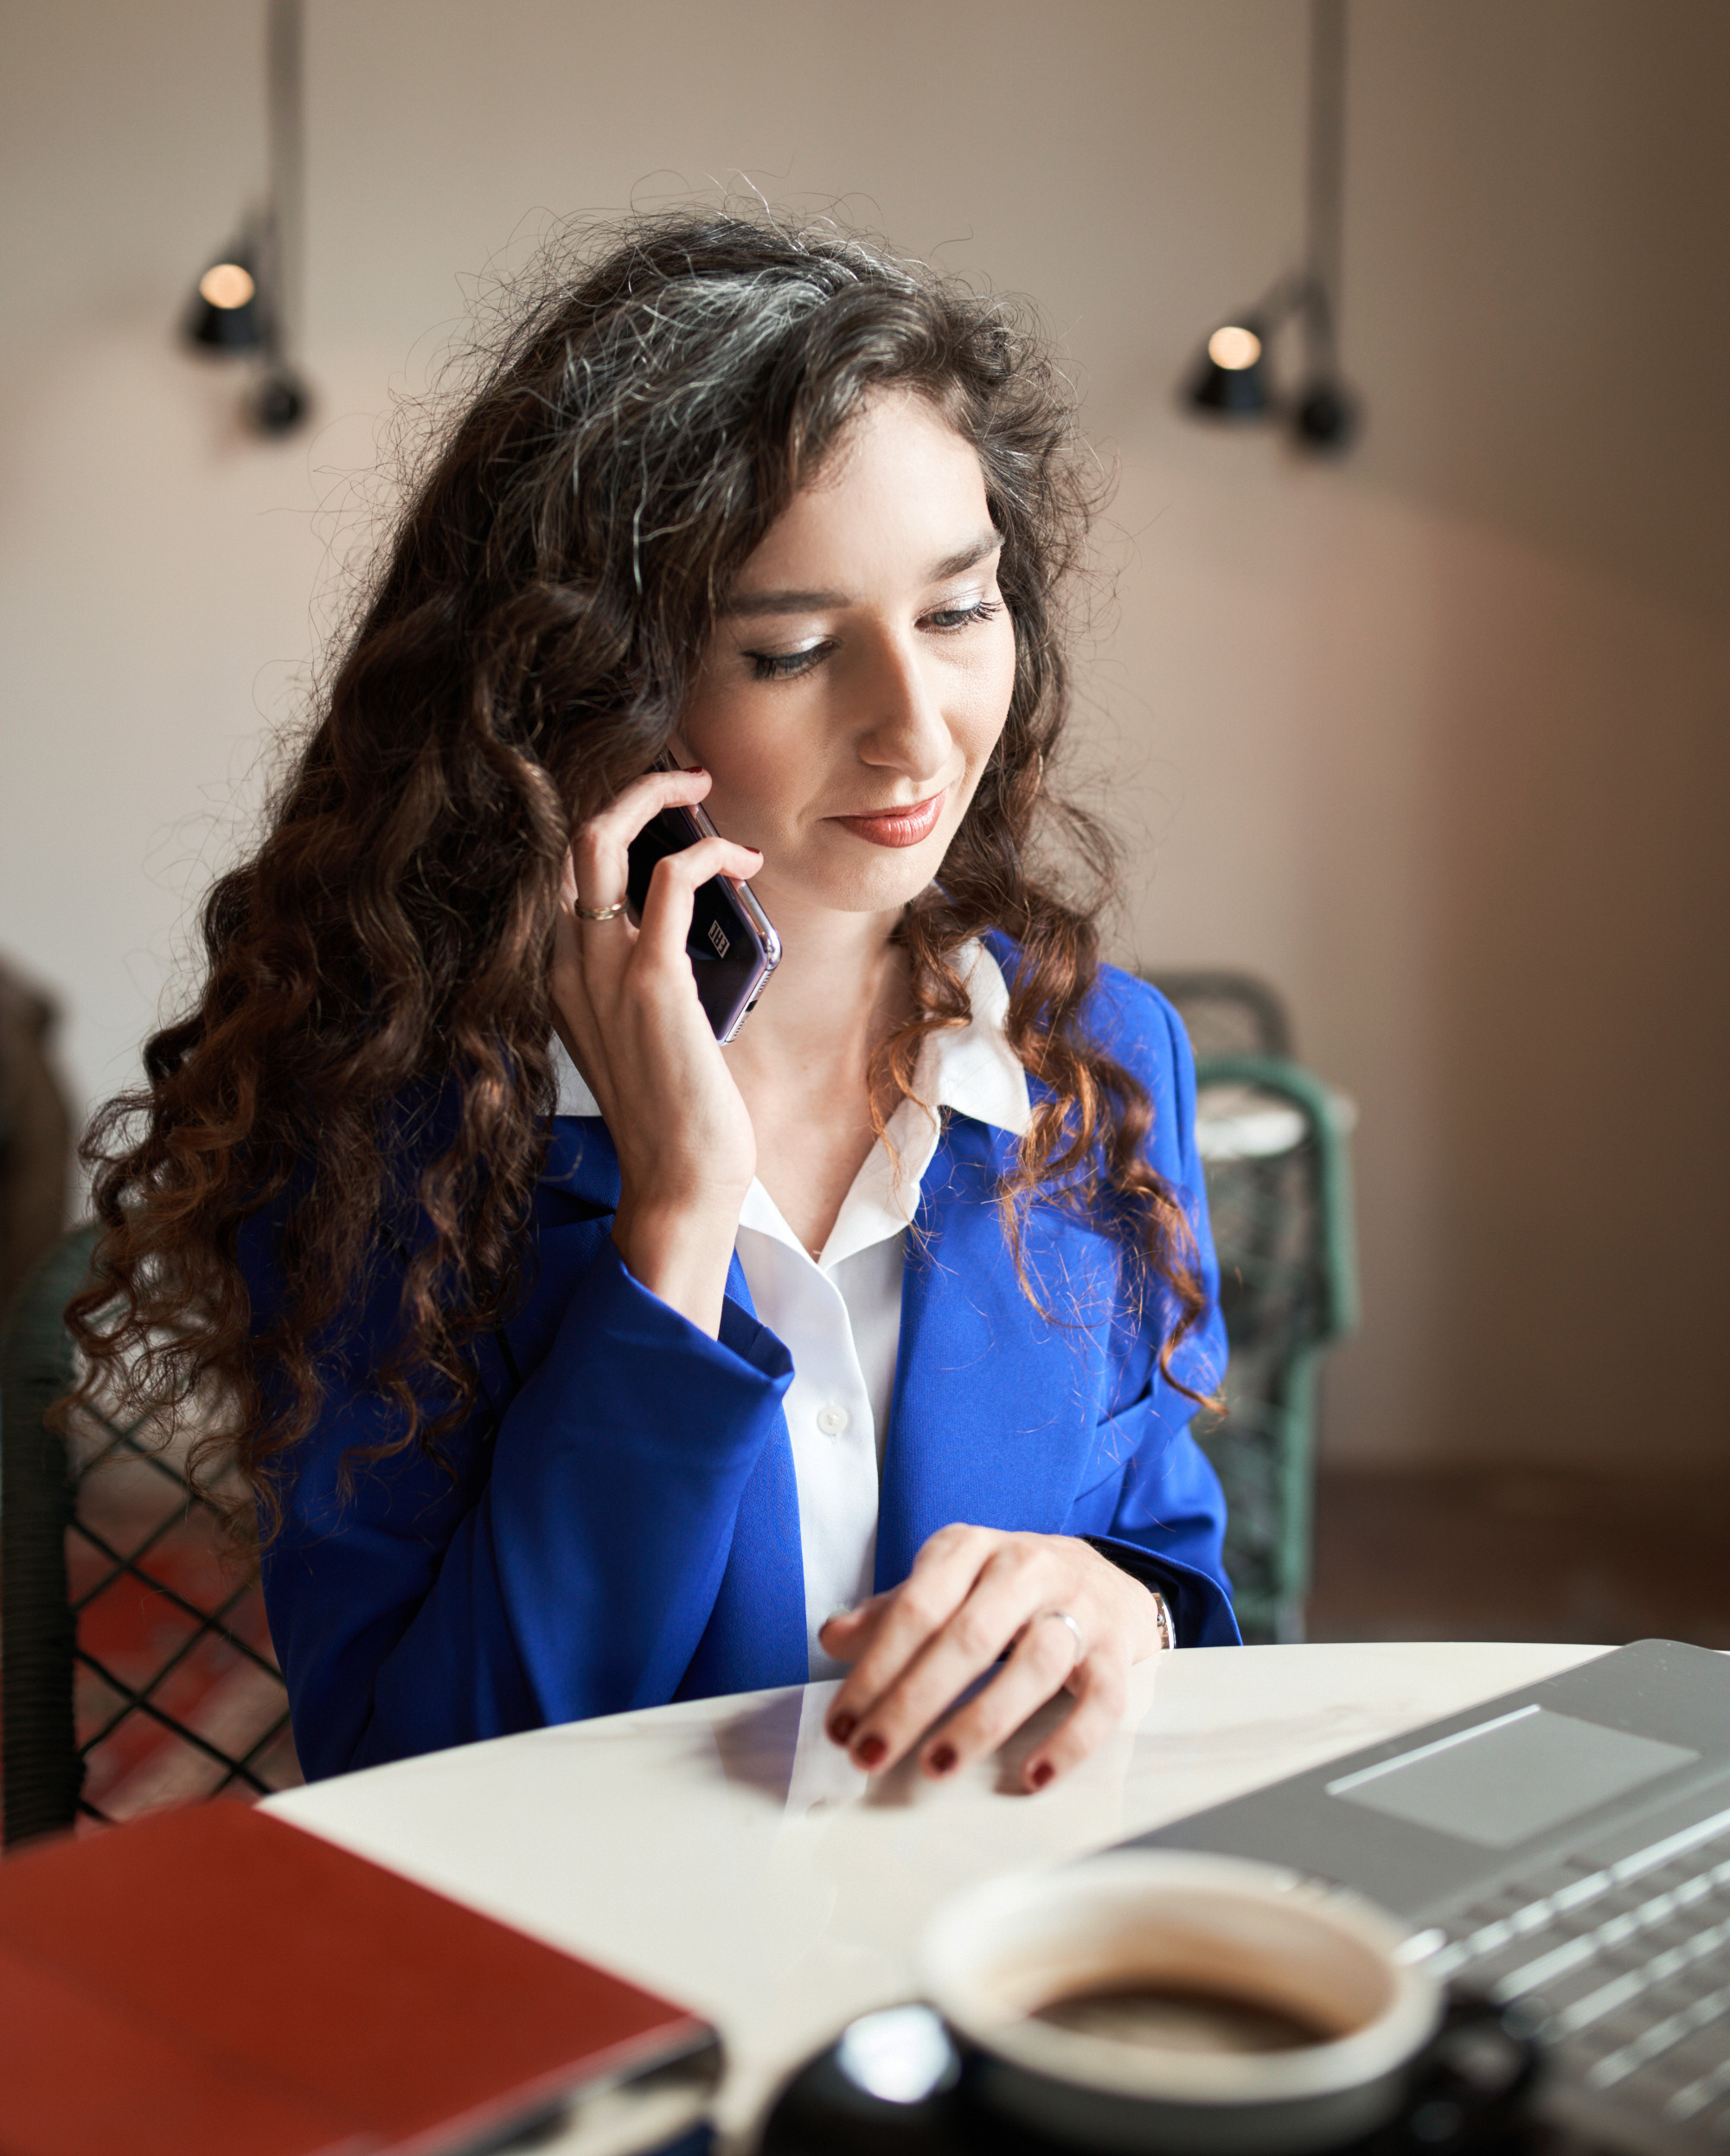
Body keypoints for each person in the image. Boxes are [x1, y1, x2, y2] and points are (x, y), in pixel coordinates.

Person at [71, 213, 1237, 1795]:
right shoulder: (386, 1130)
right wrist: (675, 1228)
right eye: (796, 650)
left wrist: (1129, 1614)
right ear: (596, 691)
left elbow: (1172, 1565)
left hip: (986, 1955)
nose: (917, 733)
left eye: (959, 614)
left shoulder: (1097, 1059)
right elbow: (428, 1771)